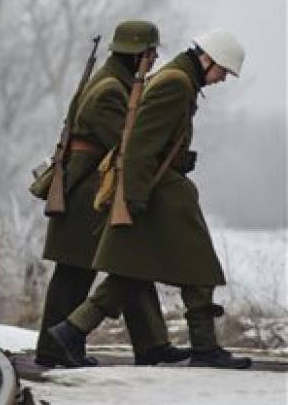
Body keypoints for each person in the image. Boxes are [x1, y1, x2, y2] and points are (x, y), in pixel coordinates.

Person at [48, 29, 252, 370]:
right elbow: (141, 146)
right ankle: (205, 348)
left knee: (131, 270)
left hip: (157, 188)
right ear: (208, 60)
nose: (222, 80)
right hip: (161, 192)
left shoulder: (178, 79)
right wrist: (135, 199)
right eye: (223, 71)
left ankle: (72, 329)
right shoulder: (177, 83)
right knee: (199, 267)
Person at [35, 21, 188, 368]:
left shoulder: (112, 83)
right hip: (87, 195)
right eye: (150, 55)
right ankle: (55, 348)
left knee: (128, 262)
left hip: (87, 191)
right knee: (76, 274)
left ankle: (152, 345)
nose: (153, 62)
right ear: (140, 54)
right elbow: (126, 146)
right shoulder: (110, 91)